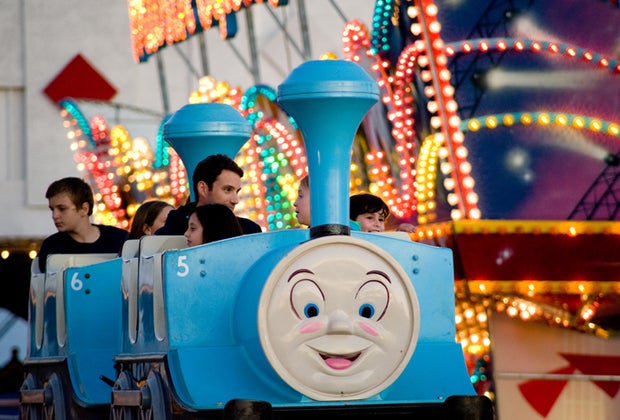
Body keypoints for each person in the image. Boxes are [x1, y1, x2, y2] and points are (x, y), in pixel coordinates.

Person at [37, 177, 128, 272]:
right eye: (52, 209)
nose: (54, 215)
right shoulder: (51, 247)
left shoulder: (119, 239)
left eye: (62, 209)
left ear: (84, 209)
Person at [156, 154, 262, 236]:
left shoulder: (250, 230)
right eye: (228, 190)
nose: (235, 200)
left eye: (237, 191)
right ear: (203, 189)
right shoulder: (167, 236)